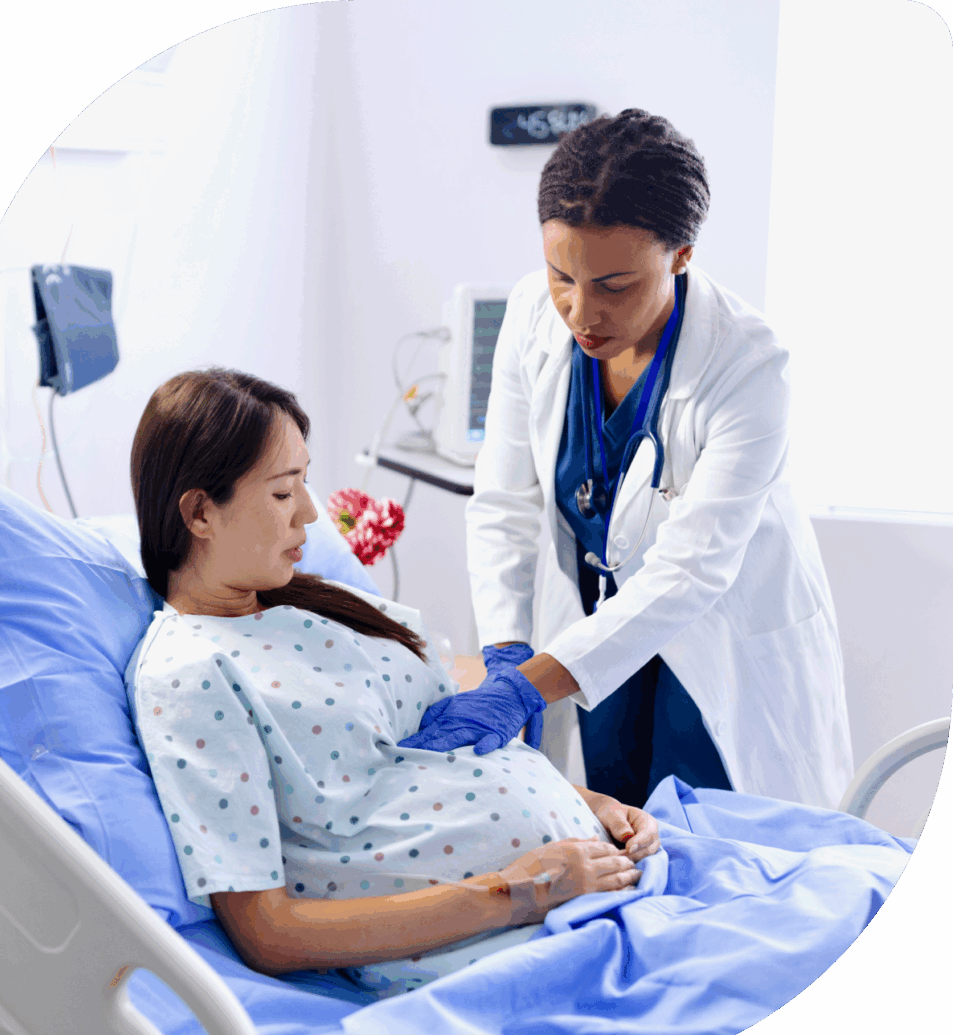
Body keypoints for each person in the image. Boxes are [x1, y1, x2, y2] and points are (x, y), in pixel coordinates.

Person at [125, 368, 659, 990]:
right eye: (282, 492)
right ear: (200, 513)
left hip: (598, 886)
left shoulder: (318, 608)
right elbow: (267, 932)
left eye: (305, 483)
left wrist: (591, 806)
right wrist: (519, 892)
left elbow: (436, 757)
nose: (310, 513)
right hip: (513, 945)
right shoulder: (191, 676)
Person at [399, 109, 853, 812]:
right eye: (561, 274)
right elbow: (503, 502)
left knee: (712, 836)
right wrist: (507, 650)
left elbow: (692, 568)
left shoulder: (749, 364)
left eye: (614, 285)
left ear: (681, 255)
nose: (580, 312)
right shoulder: (530, 313)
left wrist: (529, 687)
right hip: (596, 634)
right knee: (608, 828)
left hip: (719, 638)